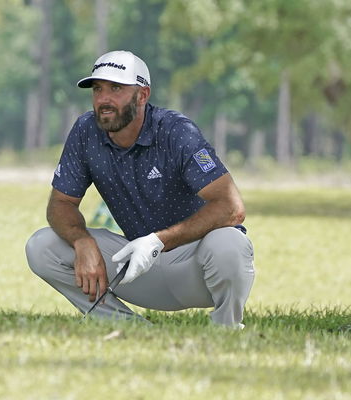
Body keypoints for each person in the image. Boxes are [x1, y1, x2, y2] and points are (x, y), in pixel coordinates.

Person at [25, 50, 255, 328]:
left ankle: (226, 329)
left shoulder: (176, 131)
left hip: (194, 268)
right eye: (97, 89)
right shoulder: (86, 130)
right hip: (135, 267)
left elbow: (231, 207)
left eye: (116, 88)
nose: (103, 100)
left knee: (230, 242)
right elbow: (60, 204)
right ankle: (127, 327)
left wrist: (158, 241)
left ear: (142, 95)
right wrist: (81, 241)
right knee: (42, 246)